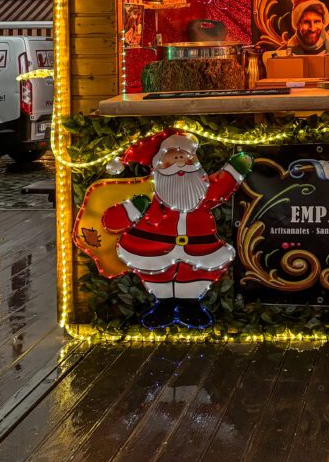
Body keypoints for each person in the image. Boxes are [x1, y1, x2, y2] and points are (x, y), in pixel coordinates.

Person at [101, 129, 251, 330]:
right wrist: (131, 209)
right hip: (154, 250)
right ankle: (163, 304)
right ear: (158, 166)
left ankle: (190, 304)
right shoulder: (151, 195)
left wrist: (234, 170)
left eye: (185, 158)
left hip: (199, 248)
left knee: (195, 273)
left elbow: (220, 186)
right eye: (172, 159)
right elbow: (113, 220)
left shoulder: (202, 192)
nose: (180, 163)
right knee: (157, 274)